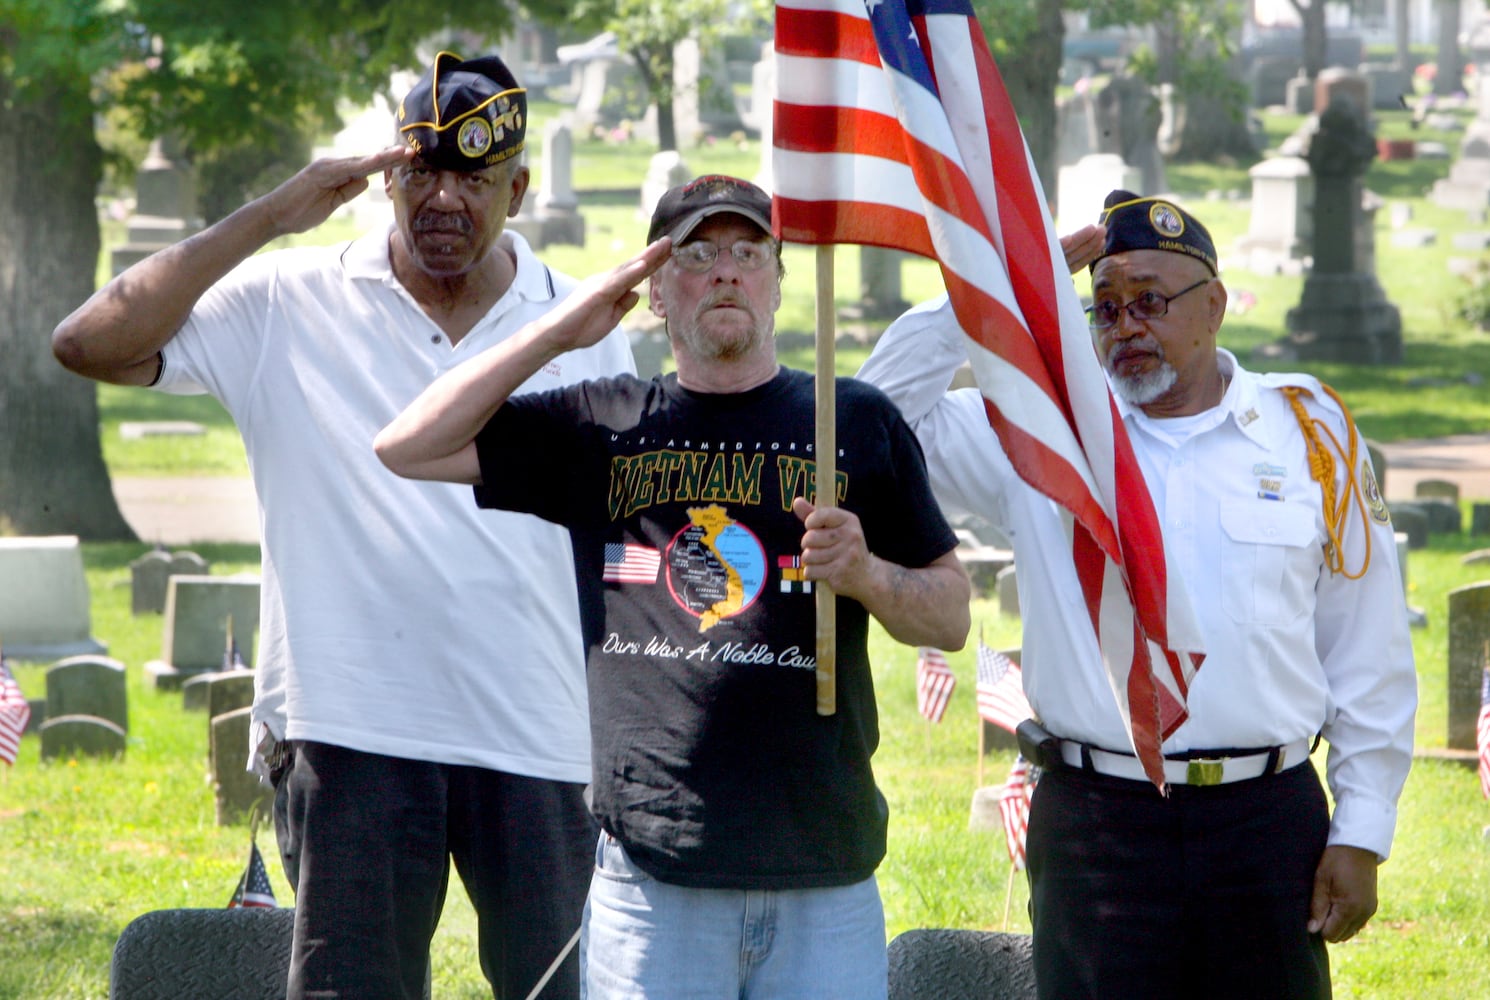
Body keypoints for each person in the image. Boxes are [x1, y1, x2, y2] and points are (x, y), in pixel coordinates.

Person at [52, 52, 635, 1000]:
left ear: (520, 188)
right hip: (349, 732)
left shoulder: (581, 324)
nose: (442, 200)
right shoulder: (287, 299)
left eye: (473, 178)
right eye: (419, 173)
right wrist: (270, 217)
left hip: (541, 736)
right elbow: (89, 341)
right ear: (385, 179)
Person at [374, 174, 972, 999]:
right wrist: (557, 333)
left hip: (824, 879)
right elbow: (406, 445)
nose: (726, 271)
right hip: (656, 880)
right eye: (696, 253)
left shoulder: (854, 420)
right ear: (654, 288)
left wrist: (866, 573)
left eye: (748, 251)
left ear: (777, 276)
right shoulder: (603, 425)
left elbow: (949, 619)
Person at [857, 190, 1417, 999]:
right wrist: (991, 291)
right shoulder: (1044, 434)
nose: (1126, 326)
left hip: (1264, 823)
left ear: (1214, 305)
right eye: (1105, 306)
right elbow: (874, 422)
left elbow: (1365, 646)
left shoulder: (1306, 434)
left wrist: (1363, 831)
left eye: (1150, 301)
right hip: (1099, 824)